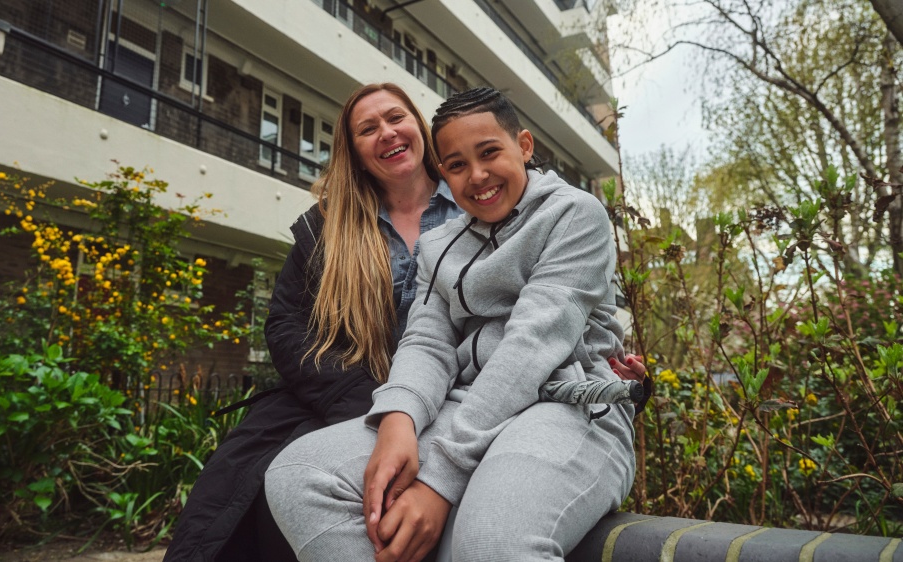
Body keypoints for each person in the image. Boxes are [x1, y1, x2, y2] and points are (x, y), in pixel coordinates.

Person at [163, 83, 646, 561]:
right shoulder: (426, 239)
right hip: (429, 397)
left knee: (489, 540)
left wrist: (438, 481)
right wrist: (397, 416)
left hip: (559, 397)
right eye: (458, 164)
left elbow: (535, 340)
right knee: (294, 475)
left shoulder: (571, 213)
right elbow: (424, 339)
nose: (476, 175)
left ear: (523, 147)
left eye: (489, 153)